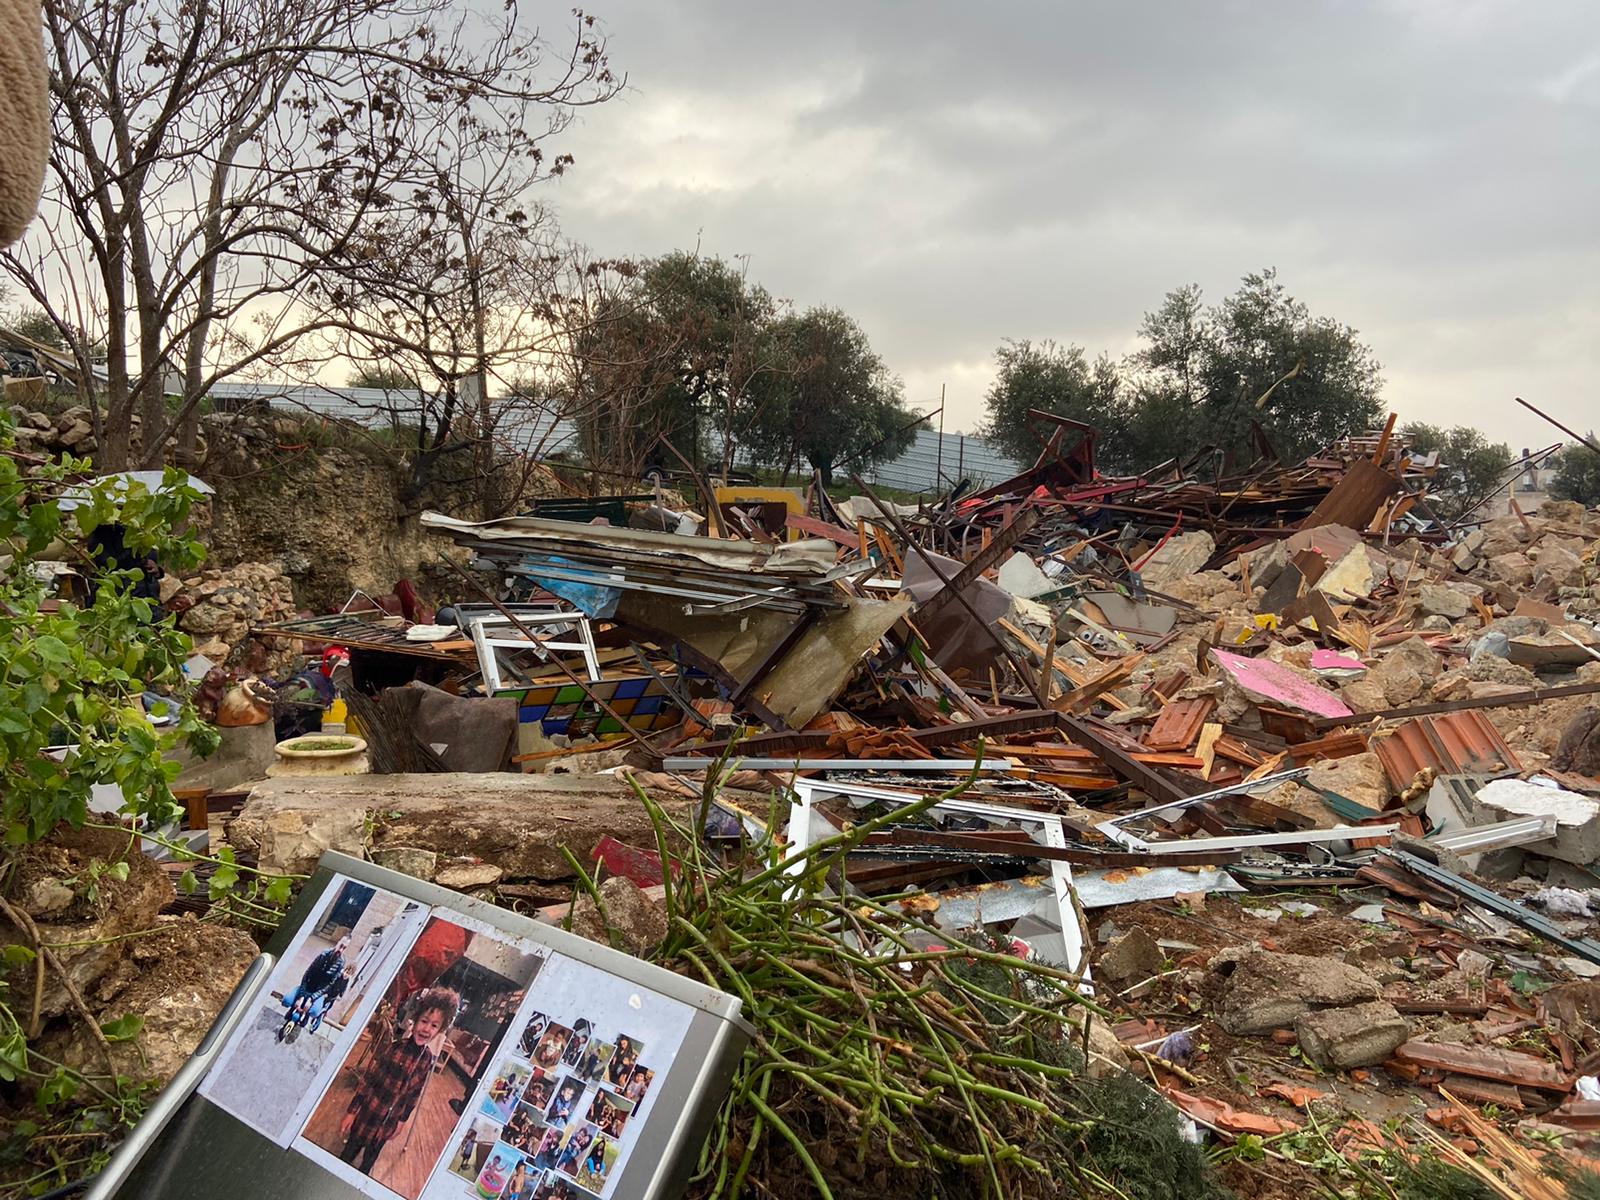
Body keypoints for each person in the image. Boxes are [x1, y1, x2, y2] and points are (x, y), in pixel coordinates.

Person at [336, 985, 459, 1175]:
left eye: (434, 1025)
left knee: (368, 1164)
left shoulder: (426, 1060)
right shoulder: (395, 1048)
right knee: (347, 1155)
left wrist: (402, 1121)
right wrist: (352, 1112)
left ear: (440, 1030)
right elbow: (368, 1080)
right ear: (414, 1021)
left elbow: (413, 1096)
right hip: (367, 1117)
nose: (426, 1029)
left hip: (387, 1126)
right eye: (424, 1021)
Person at [282, 937, 350, 1022]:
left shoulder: (341, 963)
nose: (341, 950)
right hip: (308, 986)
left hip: (319, 992)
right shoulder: (324, 954)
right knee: (286, 1000)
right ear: (338, 943)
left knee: (314, 1012)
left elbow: (329, 984)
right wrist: (301, 996)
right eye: (341, 946)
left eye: (344, 948)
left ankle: (305, 1016)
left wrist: (312, 998)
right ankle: (293, 1009)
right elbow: (308, 973)